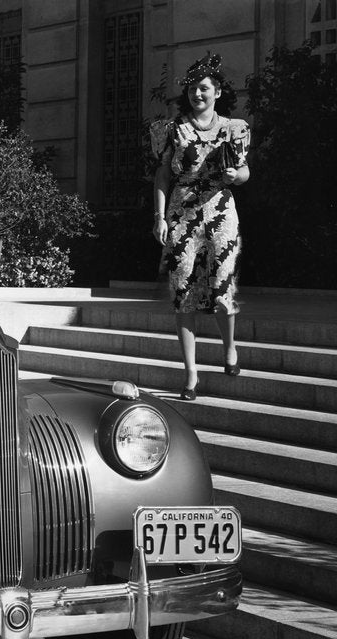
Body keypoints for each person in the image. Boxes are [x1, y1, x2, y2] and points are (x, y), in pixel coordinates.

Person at [152, 52, 251, 400]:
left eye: (204, 88)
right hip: (182, 215)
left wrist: (233, 175)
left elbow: (244, 172)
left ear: (218, 92)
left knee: (223, 292)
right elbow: (163, 175)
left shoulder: (234, 129)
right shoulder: (172, 130)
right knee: (183, 296)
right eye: (194, 89)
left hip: (221, 213)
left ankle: (229, 349)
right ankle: (191, 375)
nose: (198, 94)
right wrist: (160, 216)